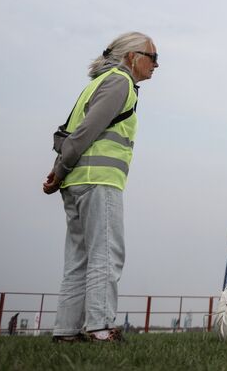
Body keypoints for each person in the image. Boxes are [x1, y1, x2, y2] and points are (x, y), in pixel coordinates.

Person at [43, 32, 160, 343]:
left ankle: (66, 332)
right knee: (106, 255)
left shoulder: (97, 82)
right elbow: (86, 131)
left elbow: (70, 131)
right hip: (98, 180)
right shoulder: (120, 81)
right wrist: (60, 168)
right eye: (153, 57)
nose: (156, 65)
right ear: (132, 57)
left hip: (77, 182)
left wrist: (59, 173)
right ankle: (99, 328)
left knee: (78, 258)